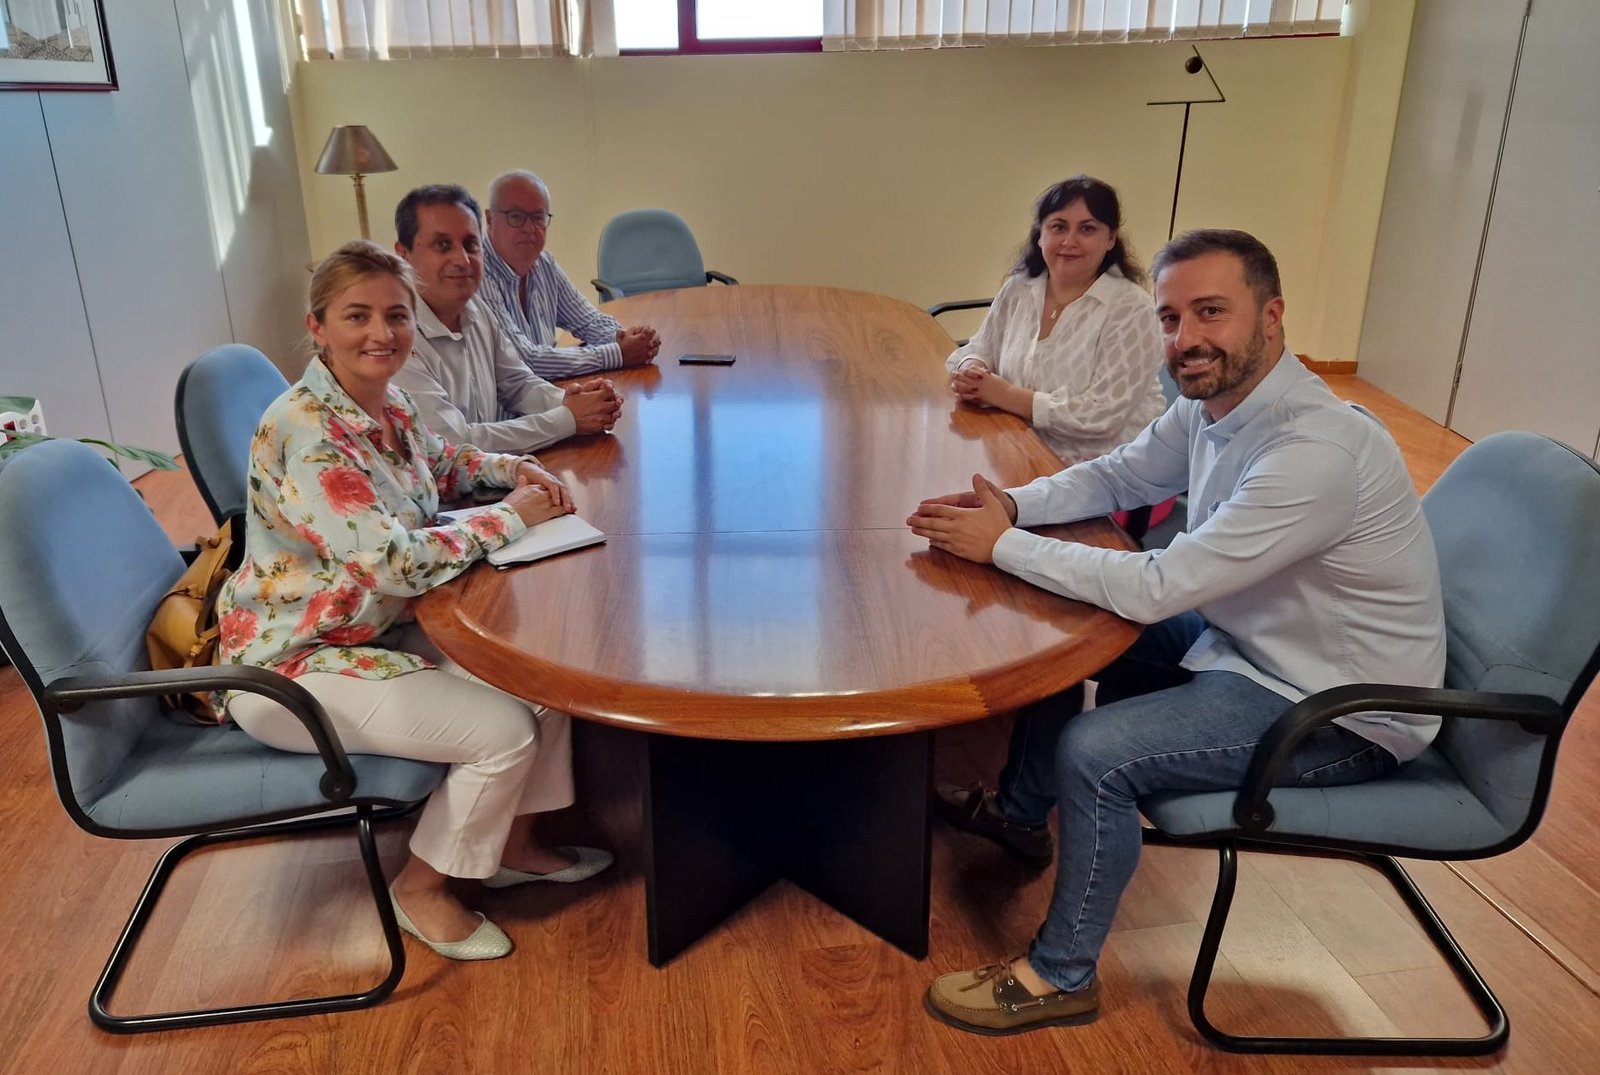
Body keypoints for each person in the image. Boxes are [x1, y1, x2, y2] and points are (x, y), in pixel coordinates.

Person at [907, 229, 1445, 1034]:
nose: (1185, 338)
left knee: (1097, 752)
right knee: (1065, 627)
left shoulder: (1314, 452)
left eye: (1211, 312)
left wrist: (1003, 545)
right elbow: (1121, 473)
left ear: (1272, 316)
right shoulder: (1213, 405)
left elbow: (1161, 584)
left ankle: (1060, 975)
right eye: (1170, 317)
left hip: (1335, 706)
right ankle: (1020, 817)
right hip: (1252, 641)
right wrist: (1013, 506)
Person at [216, 240, 612, 963]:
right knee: (503, 731)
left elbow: (440, 461)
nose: (382, 333)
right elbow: (388, 563)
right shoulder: (308, 431)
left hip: (370, 631)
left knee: (540, 678)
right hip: (294, 664)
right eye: (357, 316)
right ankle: (422, 887)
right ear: (317, 326)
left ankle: (512, 843)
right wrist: (510, 516)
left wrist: (510, 468)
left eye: (396, 315)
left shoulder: (383, 399)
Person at [947, 176, 1165, 466]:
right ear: (1040, 235)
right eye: (1058, 227)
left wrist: (1005, 395)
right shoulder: (1020, 287)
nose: (1069, 241)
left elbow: (1100, 417)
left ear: (1111, 239)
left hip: (1103, 471)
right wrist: (971, 369)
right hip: (1016, 443)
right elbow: (980, 347)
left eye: (1087, 229)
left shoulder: (1132, 308)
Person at [391, 184, 625, 454]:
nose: (462, 260)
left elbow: (517, 384)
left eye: (470, 245)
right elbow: (455, 445)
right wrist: (568, 418)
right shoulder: (394, 339)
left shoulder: (475, 309)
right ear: (403, 255)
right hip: (449, 480)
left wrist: (576, 401)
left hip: (498, 471)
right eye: (442, 245)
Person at [479, 170, 660, 378]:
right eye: (516, 216)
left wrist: (625, 338)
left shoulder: (544, 264)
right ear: (490, 220)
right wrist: (618, 353)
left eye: (538, 217)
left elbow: (588, 321)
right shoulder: (478, 275)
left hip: (545, 393)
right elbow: (523, 362)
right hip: (507, 400)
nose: (529, 228)